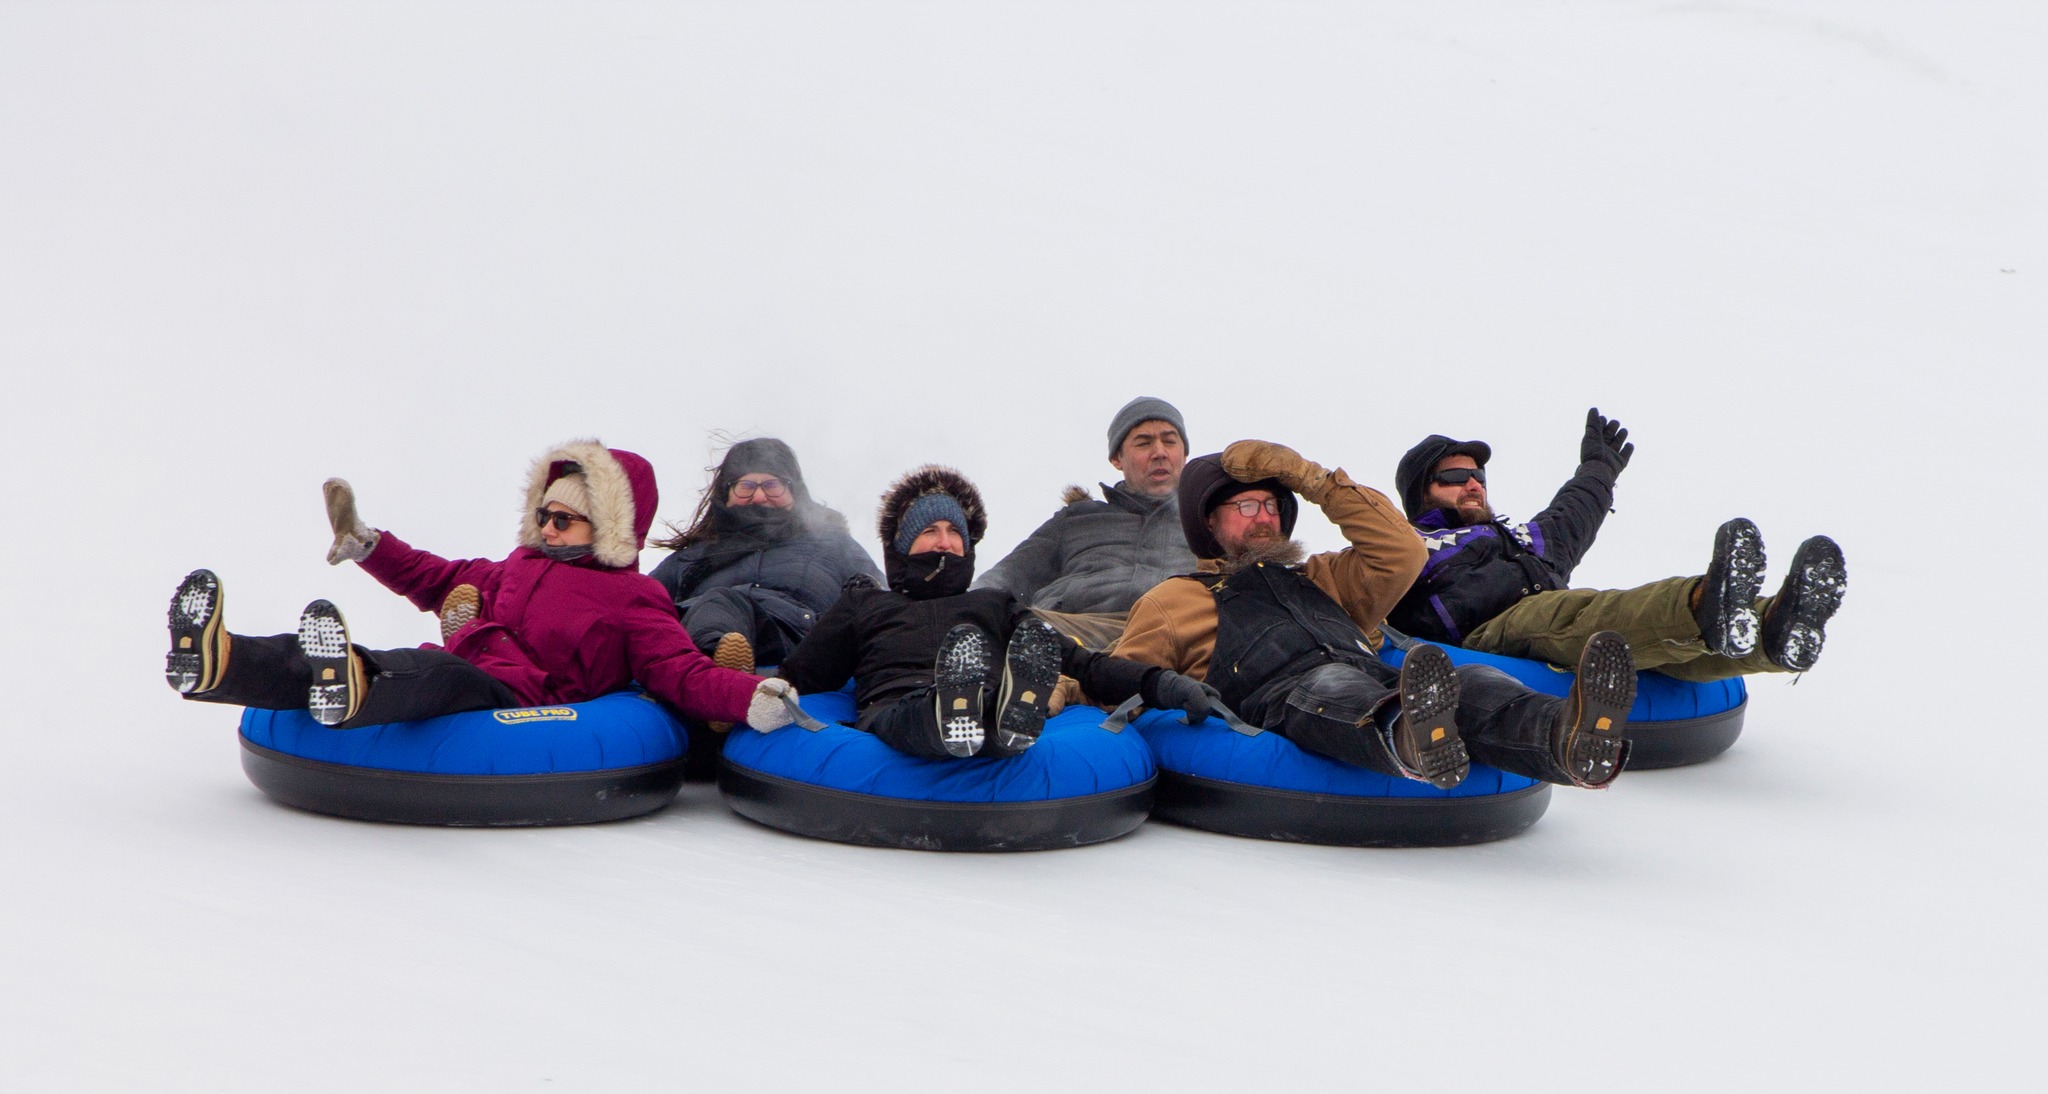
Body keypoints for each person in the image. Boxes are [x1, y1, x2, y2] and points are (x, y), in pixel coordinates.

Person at [164, 439, 803, 732]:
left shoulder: (634, 598)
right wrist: (369, 544)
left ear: (608, 525)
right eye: (544, 514)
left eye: (564, 519)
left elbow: (678, 670)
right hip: (471, 660)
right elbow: (438, 577)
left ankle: (357, 687)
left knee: (438, 673)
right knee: (375, 659)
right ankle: (223, 662)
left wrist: (750, 696)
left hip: (522, 695)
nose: (547, 528)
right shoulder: (516, 567)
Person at [1107, 441, 1641, 790]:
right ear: (1207, 522)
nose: (1264, 518)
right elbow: (1119, 677)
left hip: (1374, 674)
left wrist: (1307, 477)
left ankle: (1566, 737)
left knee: (1472, 680)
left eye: (1271, 506)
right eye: (1246, 507)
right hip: (1288, 697)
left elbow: (1402, 551)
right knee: (1334, 684)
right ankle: (1411, 737)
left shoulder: (1320, 576)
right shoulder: (1174, 600)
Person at [772, 465, 1221, 760]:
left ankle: (1003, 716)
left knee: (991, 702)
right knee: (919, 713)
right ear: (901, 546)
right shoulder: (867, 603)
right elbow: (804, 673)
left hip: (985, 699)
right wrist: (759, 695)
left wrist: (1164, 684)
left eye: (955, 532)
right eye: (929, 531)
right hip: (895, 707)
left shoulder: (991, 605)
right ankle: (960, 711)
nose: (945, 542)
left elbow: (1086, 665)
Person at [1389, 409, 1847, 681]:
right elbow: (1361, 582)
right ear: (1420, 492)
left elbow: (1572, 516)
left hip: (1551, 621)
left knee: (1657, 652)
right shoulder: (1410, 547)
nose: (1473, 484)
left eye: (1478, 475)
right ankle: (1704, 603)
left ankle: (1774, 629)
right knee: (1573, 614)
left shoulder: (1518, 537)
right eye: (1455, 476)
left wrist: (1599, 467)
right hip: (1485, 639)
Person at [974, 396, 1199, 649]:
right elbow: (1004, 579)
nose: (1159, 453)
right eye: (1144, 443)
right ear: (1117, 459)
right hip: (1075, 630)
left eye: (1169, 441)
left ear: (1184, 454)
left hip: (1173, 636)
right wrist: (963, 609)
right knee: (1017, 626)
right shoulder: (1078, 520)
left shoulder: (1206, 523)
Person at [648, 438, 881, 674]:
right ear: (726, 494)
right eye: (746, 486)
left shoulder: (832, 544)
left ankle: (715, 674)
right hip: (699, 627)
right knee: (717, 604)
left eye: (772, 485)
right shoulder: (690, 558)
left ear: (793, 492)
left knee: (723, 600)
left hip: (796, 638)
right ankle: (718, 664)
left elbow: (879, 595)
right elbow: (643, 602)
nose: (759, 497)